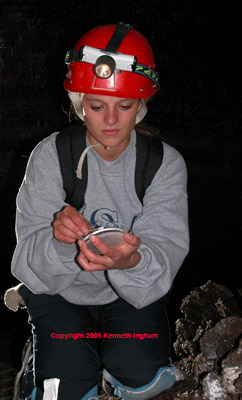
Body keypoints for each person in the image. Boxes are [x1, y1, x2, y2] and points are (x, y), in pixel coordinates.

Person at [10, 22, 189, 400]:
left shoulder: (163, 164)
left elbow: (165, 254)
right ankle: (41, 366)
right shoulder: (50, 156)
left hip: (128, 297)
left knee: (145, 381)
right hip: (60, 297)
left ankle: (114, 360)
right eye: (96, 106)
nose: (111, 120)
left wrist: (130, 261)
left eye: (124, 106)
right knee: (64, 390)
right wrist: (60, 242)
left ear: (141, 105)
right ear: (78, 103)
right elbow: (25, 262)